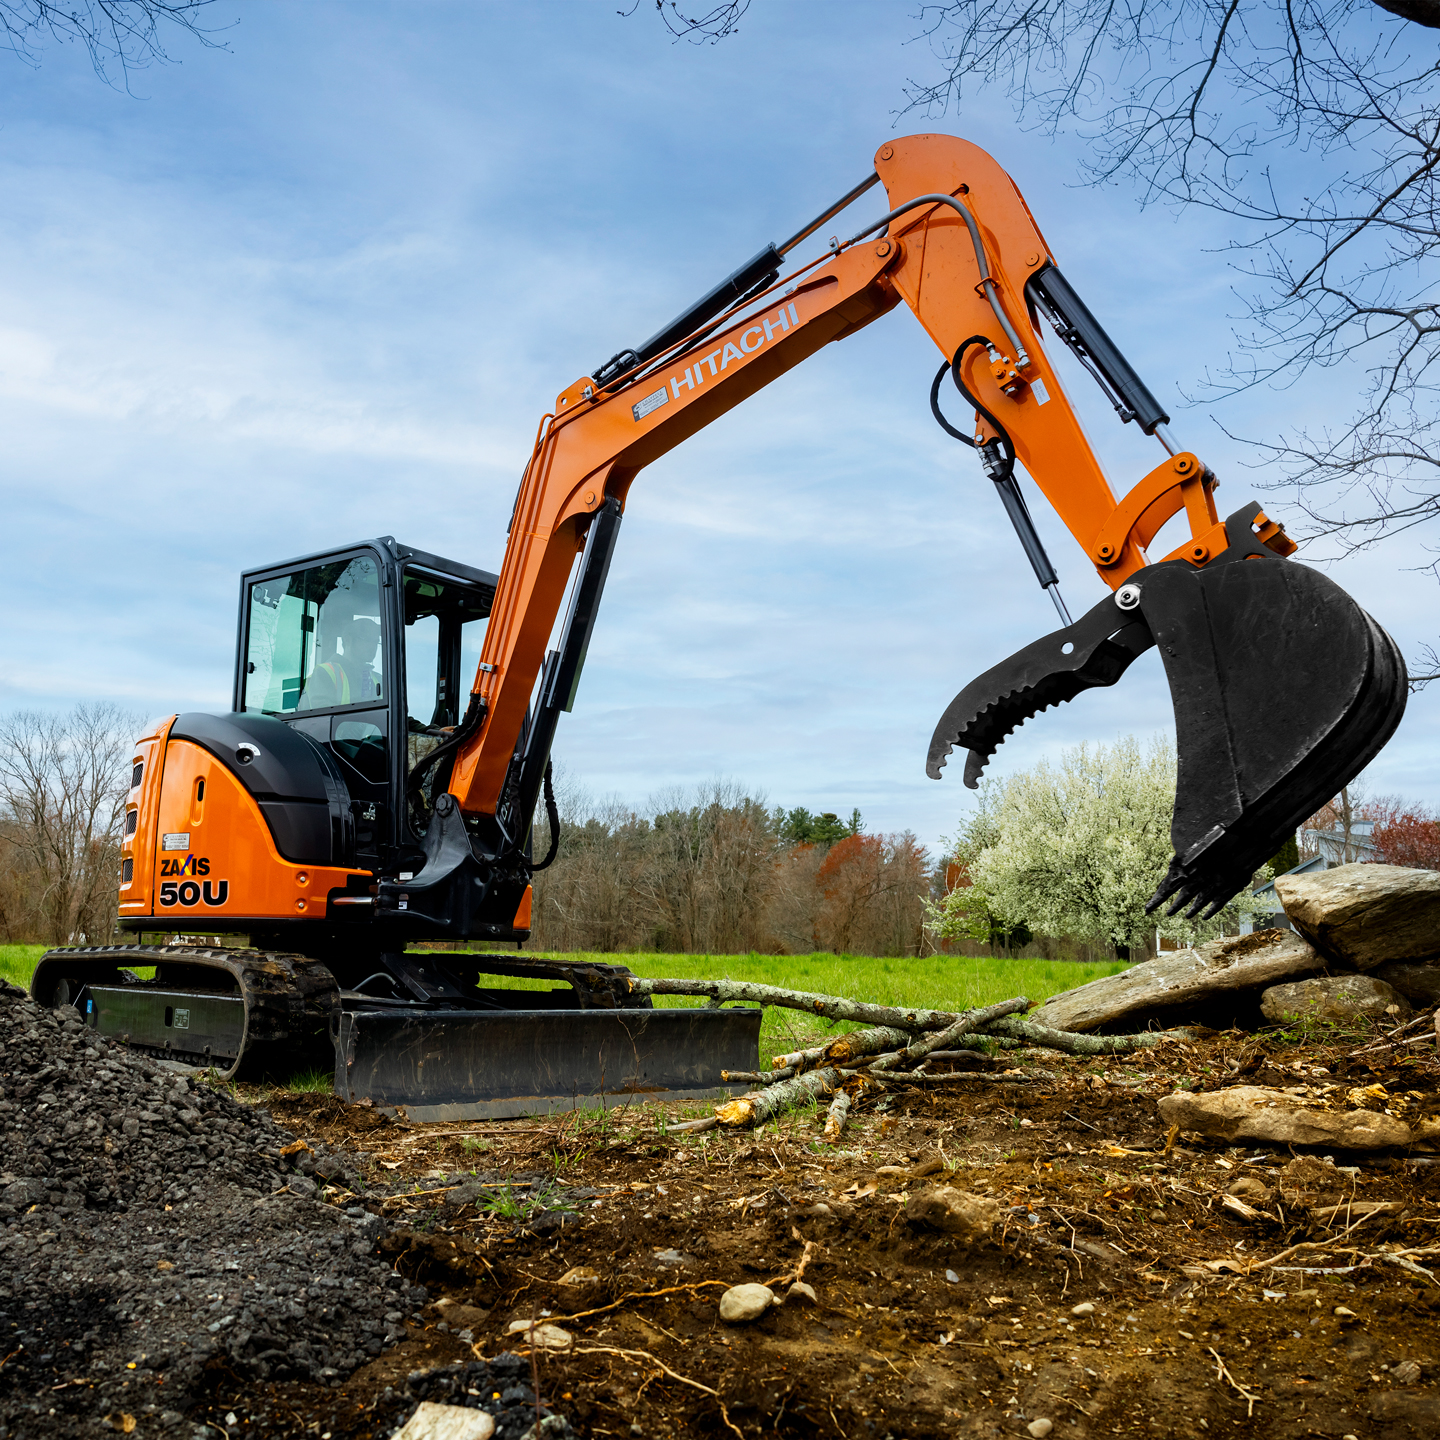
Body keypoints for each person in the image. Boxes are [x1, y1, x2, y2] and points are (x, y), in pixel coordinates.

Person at [301, 614, 382, 708]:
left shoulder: (378, 679)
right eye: (367, 640)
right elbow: (323, 717)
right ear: (348, 640)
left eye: (376, 642)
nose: (373, 647)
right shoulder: (325, 672)